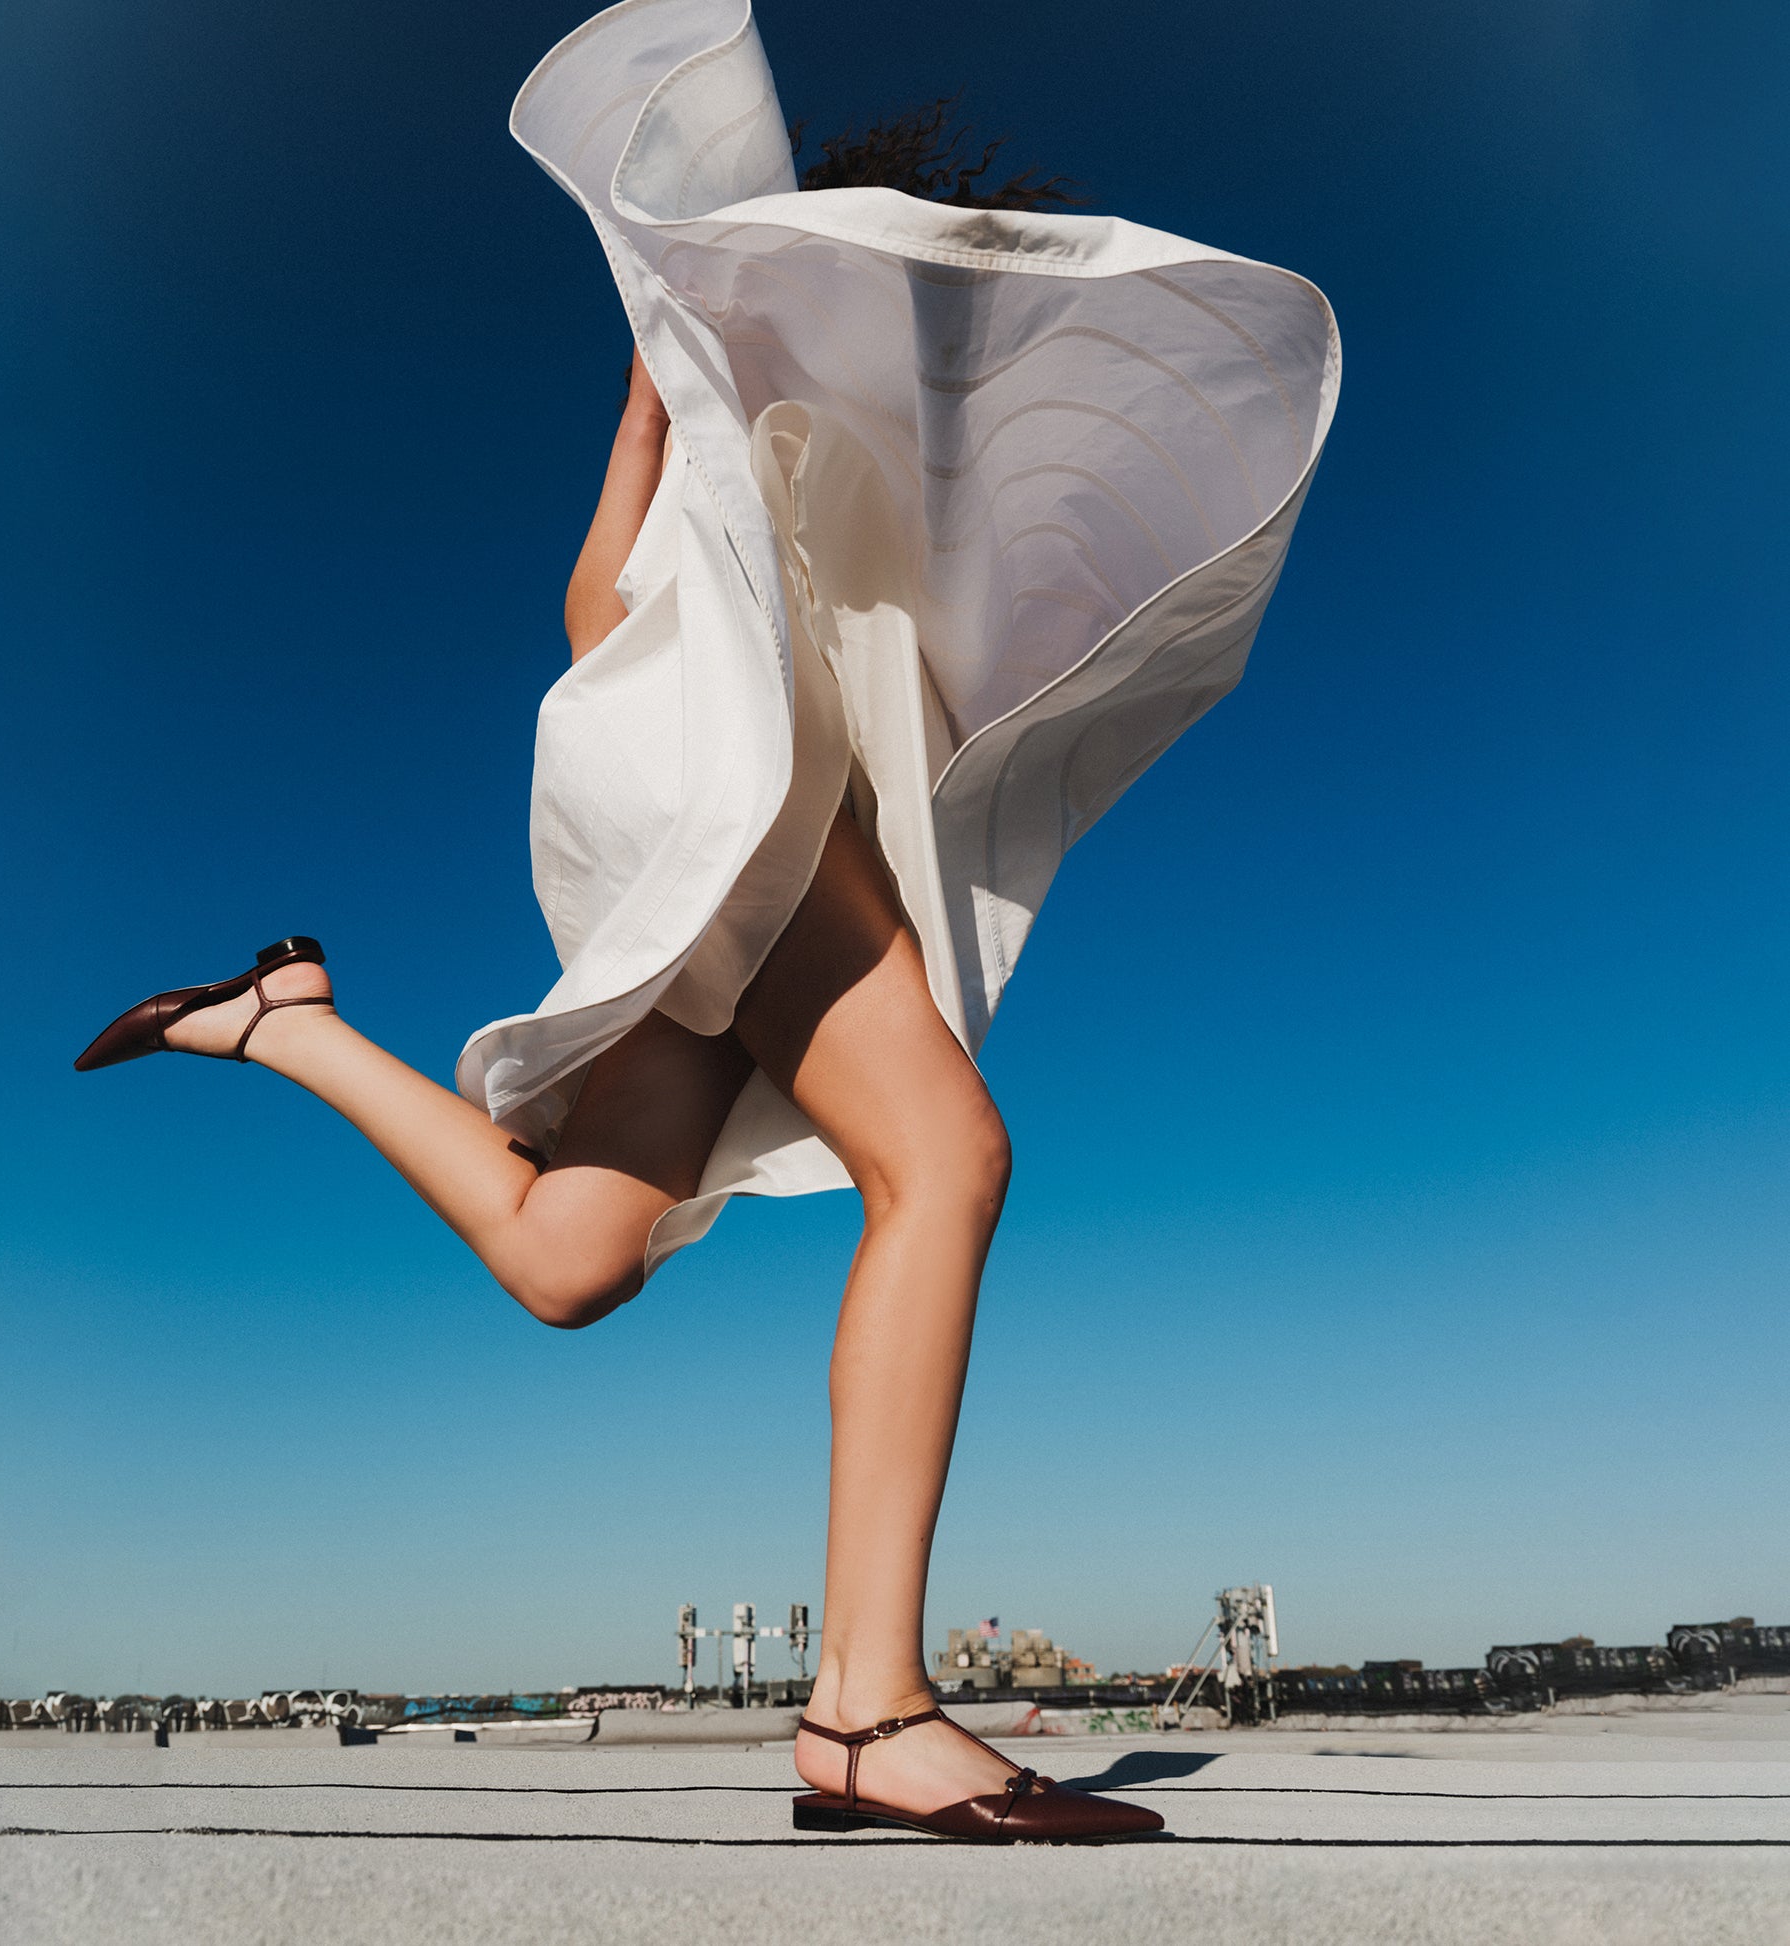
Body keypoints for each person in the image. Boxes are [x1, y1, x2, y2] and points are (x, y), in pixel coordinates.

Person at [77, 0, 1337, 1842]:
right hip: (722, 800)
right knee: (946, 1158)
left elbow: (603, 589)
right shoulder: (722, 371)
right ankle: (863, 1709)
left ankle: (280, 1018)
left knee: (570, 1265)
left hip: (692, 818)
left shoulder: (814, 445)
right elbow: (616, 588)